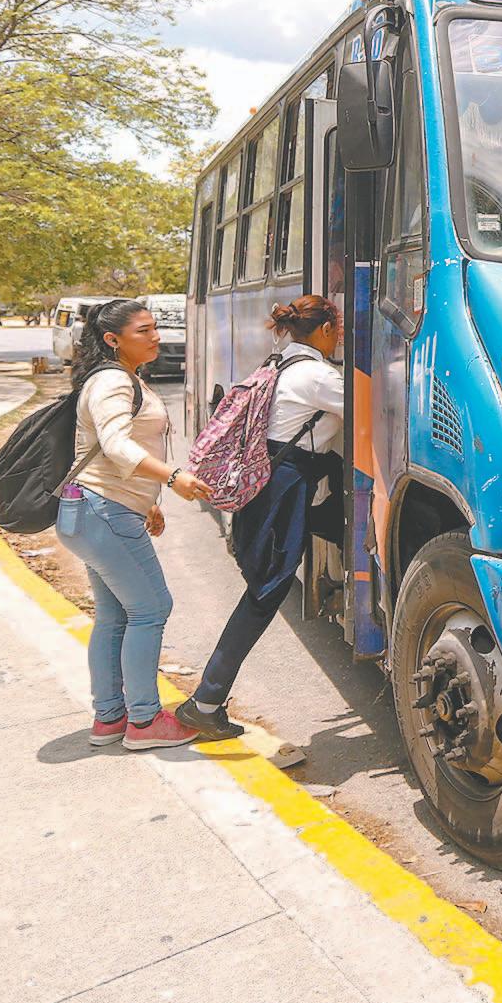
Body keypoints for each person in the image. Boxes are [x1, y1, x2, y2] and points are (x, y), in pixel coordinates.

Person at [177, 295, 346, 740]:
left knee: (279, 578)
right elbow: (372, 405)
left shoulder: (281, 363)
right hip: (283, 490)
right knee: (265, 593)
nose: (340, 337)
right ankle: (205, 702)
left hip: (275, 484)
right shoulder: (316, 376)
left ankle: (206, 700)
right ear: (325, 330)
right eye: (338, 328)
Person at [56, 298, 215, 750]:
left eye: (154, 327)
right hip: (103, 512)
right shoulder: (111, 381)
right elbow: (115, 446)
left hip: (93, 511)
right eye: (143, 330)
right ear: (113, 339)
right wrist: (172, 477)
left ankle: (109, 718)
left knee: (115, 615)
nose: (155, 336)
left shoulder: (119, 377)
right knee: (150, 608)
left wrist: (148, 502)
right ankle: (144, 721)